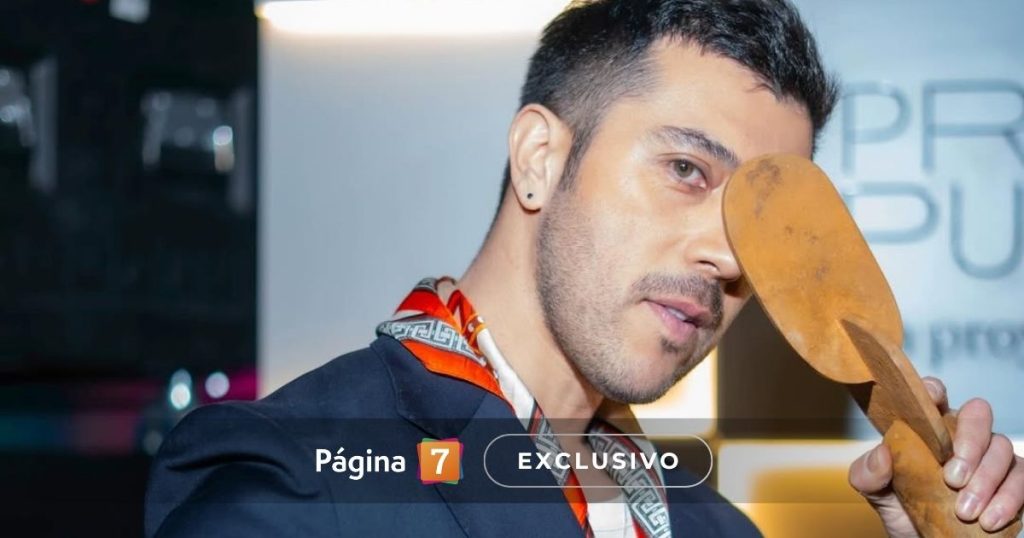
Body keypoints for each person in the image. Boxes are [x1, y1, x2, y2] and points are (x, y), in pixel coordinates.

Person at [145, 1, 1024, 536]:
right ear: (539, 158)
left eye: (760, 227)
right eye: (686, 170)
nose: (728, 257)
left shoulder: (713, 526)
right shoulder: (303, 481)